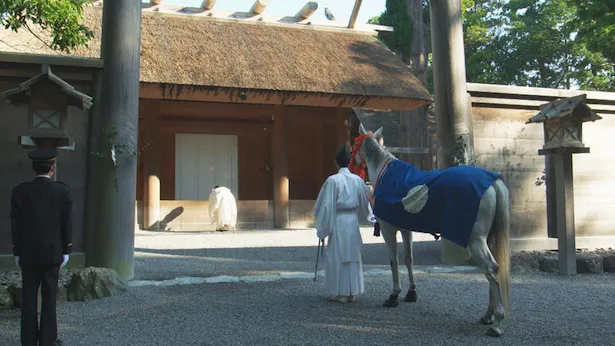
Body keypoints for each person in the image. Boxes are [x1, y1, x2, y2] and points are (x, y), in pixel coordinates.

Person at [11, 148, 72, 346]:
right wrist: (66, 249)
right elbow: (67, 223)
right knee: (49, 299)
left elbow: (16, 225)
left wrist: (16, 250)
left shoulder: (20, 191)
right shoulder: (62, 191)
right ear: (52, 168)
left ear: (33, 168)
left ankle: (28, 341)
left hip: (28, 252)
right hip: (53, 251)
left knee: (28, 299)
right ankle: (47, 340)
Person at [312, 145, 371, 303]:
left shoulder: (332, 181)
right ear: (349, 161)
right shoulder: (358, 180)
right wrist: (371, 217)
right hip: (352, 221)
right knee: (352, 256)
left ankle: (341, 292)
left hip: (338, 220)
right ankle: (352, 291)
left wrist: (322, 229)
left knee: (338, 255)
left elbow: (326, 206)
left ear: (335, 163)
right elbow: (366, 201)